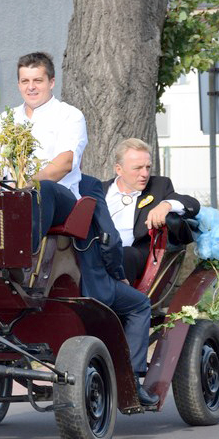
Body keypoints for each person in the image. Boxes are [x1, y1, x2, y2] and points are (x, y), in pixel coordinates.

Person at [78, 174, 157, 406]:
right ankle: (130, 380)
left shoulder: (12, 180)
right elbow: (110, 240)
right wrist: (118, 274)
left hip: (15, 286)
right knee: (140, 304)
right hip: (86, 282)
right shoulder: (88, 185)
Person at [0, 52, 87, 197]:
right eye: (25, 81)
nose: (31, 87)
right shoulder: (6, 118)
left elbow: (65, 162)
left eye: (38, 81)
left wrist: (28, 184)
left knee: (44, 190)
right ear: (19, 85)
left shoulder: (69, 115)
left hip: (58, 197)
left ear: (51, 82)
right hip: (11, 196)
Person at [103, 138, 200, 283]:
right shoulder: (100, 189)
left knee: (124, 254)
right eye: (138, 168)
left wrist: (166, 205)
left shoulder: (159, 186)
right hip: (98, 251)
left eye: (148, 167)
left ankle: (119, 301)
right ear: (119, 169)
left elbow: (193, 204)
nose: (145, 174)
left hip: (134, 254)